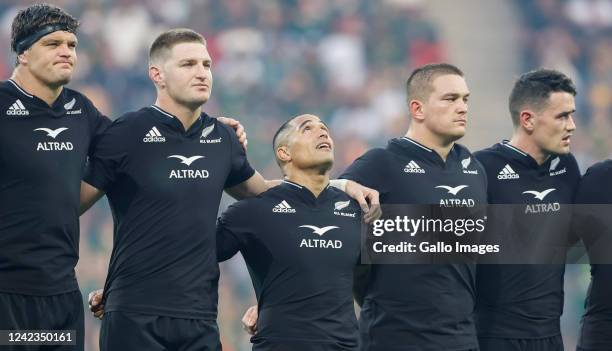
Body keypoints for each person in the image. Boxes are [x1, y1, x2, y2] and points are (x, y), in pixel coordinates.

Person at [80, 28, 379, 351]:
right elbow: (72, 204)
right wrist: (111, 286)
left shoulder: (222, 138)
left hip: (200, 317)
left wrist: (339, 184)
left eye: (206, 65)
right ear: (157, 74)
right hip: (135, 312)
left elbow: (264, 190)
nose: (201, 73)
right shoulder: (126, 132)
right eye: (188, 64)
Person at [340, 63, 488, 350]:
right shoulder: (382, 163)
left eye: (465, 99)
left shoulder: (475, 169)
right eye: (450, 99)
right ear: (418, 109)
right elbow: (321, 208)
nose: (462, 107)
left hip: (462, 339)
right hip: (395, 337)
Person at [0, 4, 110, 350]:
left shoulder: (82, 111)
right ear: (23, 53)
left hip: (60, 292)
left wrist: (212, 130)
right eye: (53, 44)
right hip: (6, 294)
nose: (66, 52)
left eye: (72, 45)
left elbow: (134, 150)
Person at [216, 114, 362, 351]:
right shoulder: (254, 210)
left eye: (324, 128)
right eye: (307, 129)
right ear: (284, 153)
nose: (323, 132)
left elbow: (433, 240)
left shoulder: (359, 209)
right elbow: (191, 253)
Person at [474, 69, 580, 351]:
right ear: (528, 119)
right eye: (562, 116)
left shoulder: (567, 168)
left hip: (549, 336)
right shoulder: (481, 168)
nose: (571, 125)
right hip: (493, 336)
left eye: (571, 115)